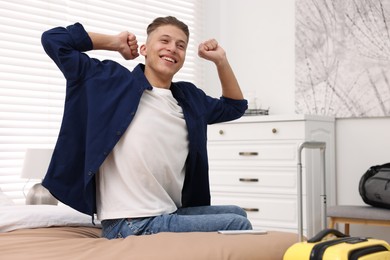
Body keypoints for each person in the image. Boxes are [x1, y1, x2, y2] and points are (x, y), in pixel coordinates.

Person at [41, 16, 252, 239]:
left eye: (180, 46)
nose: (172, 48)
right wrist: (114, 42)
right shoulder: (110, 81)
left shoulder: (189, 98)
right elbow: (54, 40)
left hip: (167, 212)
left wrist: (221, 60)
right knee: (236, 223)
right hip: (130, 221)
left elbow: (234, 107)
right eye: (164, 41)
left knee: (238, 213)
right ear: (144, 49)